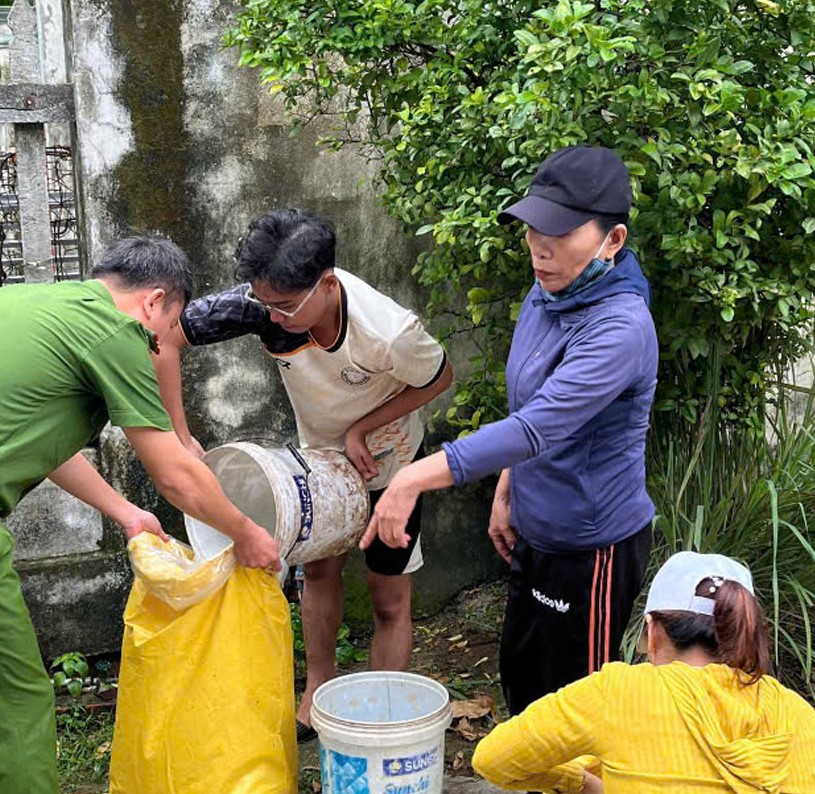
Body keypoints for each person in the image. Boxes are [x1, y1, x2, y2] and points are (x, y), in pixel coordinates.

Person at [360, 145, 659, 716]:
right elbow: (530, 404)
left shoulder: (620, 328)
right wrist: (507, 487)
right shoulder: (549, 290)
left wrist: (410, 479)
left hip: (589, 548)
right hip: (535, 529)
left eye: (560, 234)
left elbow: (538, 425)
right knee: (523, 687)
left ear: (612, 241)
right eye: (531, 230)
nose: (538, 249)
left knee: (573, 713)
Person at [153, 208, 452, 740]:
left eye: (285, 307)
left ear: (328, 284)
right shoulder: (262, 305)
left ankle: (376, 717)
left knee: (388, 594)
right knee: (318, 572)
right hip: (317, 461)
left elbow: (438, 377)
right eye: (263, 302)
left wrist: (364, 426)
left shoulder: (388, 332)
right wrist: (179, 434)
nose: (273, 316)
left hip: (388, 460)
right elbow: (166, 337)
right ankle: (317, 689)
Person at [0, 235, 281, 794]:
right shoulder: (115, 331)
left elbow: (37, 439)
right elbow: (175, 474)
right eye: (164, 337)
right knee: (17, 701)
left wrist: (127, 513)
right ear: (155, 303)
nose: (158, 351)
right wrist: (248, 533)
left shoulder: (34, 306)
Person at [471, 551, 815, 793]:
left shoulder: (620, 692)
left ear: (652, 631)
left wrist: (575, 780)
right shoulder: (797, 714)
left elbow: (492, 759)